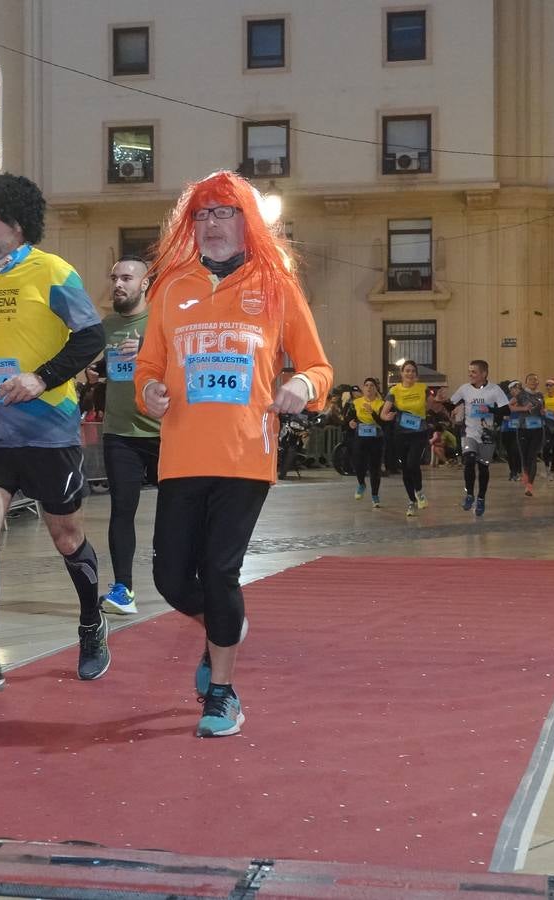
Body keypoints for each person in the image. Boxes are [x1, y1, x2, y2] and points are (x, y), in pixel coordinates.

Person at [136, 170, 332, 738]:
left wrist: (302, 388)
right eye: (202, 215)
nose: (212, 224)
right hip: (181, 455)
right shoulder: (170, 288)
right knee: (173, 578)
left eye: (224, 213)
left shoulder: (277, 287)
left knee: (220, 572)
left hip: (246, 456)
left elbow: (319, 366)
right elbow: (149, 367)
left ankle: (222, 693)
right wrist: (149, 390)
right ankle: (225, 627)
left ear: (249, 223)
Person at [0, 172, 108, 694]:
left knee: (66, 537)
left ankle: (91, 624)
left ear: (17, 221)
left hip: (50, 432)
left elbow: (91, 336)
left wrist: (41, 378)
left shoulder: (51, 270)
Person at [99, 254, 159, 615]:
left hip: (165, 432)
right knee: (122, 509)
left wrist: (147, 355)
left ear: (145, 283)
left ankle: (184, 576)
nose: (118, 284)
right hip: (120, 432)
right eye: (114, 278)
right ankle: (124, 589)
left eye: (126, 278)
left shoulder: (162, 322)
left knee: (177, 512)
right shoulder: (105, 326)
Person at [449, 360, 509, 517]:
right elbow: (451, 403)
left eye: (474, 372)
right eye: (469, 371)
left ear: (484, 374)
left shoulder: (494, 390)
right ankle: (469, 494)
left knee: (483, 468)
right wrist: (443, 403)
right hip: (469, 433)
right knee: (468, 461)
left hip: (487, 434)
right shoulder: (464, 389)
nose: (470, 375)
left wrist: (489, 409)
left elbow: (506, 409)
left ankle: (481, 498)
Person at [379, 360, 429, 517]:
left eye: (413, 371)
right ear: (401, 373)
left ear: (416, 374)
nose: (410, 373)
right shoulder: (395, 390)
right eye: (407, 370)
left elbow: (431, 406)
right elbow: (383, 413)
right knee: (406, 469)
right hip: (401, 434)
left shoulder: (423, 389)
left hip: (419, 432)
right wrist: (387, 417)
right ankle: (411, 501)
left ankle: (419, 491)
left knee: (413, 463)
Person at [349, 377, 385, 507]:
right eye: (366, 385)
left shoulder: (381, 404)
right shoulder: (357, 402)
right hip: (360, 437)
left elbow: (383, 422)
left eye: (372, 386)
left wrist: (373, 413)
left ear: (376, 389)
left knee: (375, 468)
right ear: (363, 388)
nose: (369, 388)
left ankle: (375, 495)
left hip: (376, 440)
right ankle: (361, 483)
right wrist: (351, 422)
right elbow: (350, 418)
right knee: (358, 464)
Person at [510, 373, 546, 497]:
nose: (533, 382)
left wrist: (543, 412)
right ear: (526, 382)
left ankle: (529, 486)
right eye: (531, 379)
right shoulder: (521, 395)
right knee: (524, 455)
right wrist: (524, 409)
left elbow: (542, 410)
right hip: (523, 428)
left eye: (536, 380)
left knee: (532, 456)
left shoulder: (540, 395)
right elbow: (510, 407)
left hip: (537, 429)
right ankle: (525, 472)